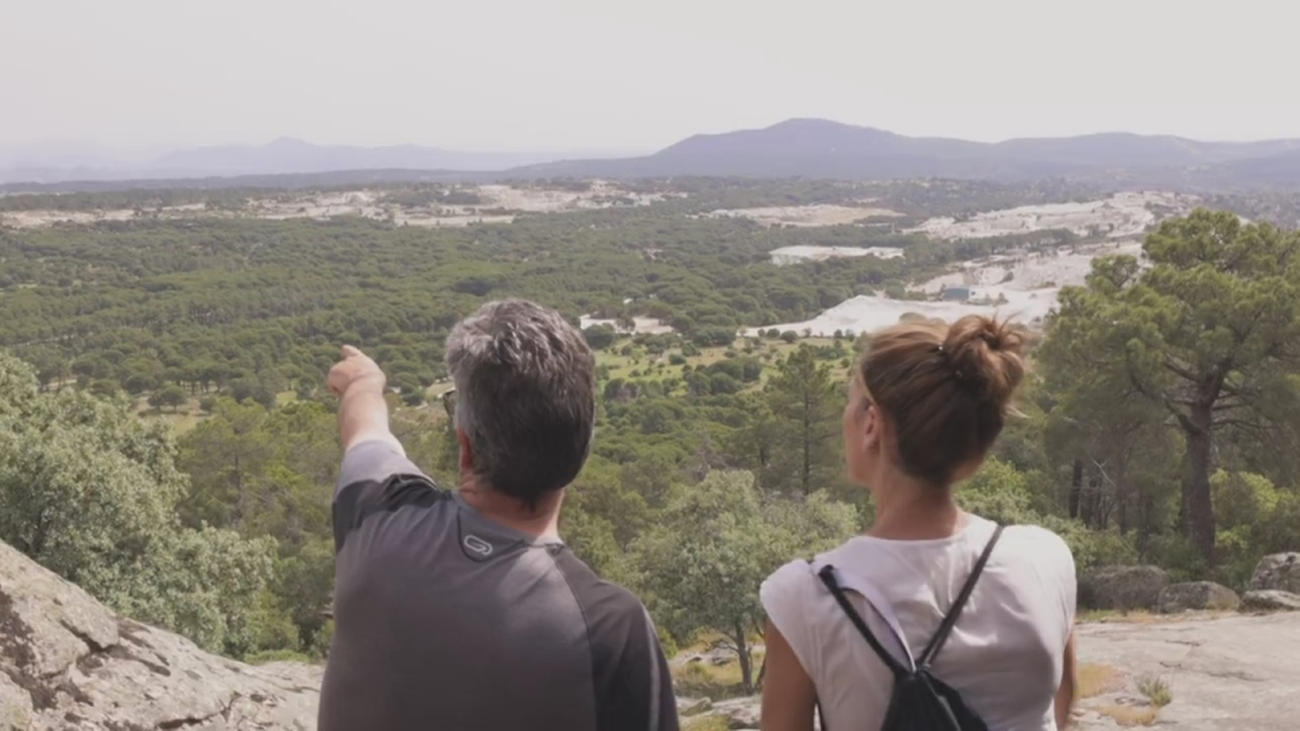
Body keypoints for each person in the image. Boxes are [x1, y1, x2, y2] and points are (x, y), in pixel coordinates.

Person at [318, 299, 680, 731]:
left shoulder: (377, 514)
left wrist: (363, 382)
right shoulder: (610, 629)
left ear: (466, 447)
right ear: (582, 447)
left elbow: (366, 430)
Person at [759, 315, 1078, 730]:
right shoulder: (1045, 559)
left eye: (851, 401)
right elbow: (1063, 700)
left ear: (871, 424)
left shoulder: (804, 598)